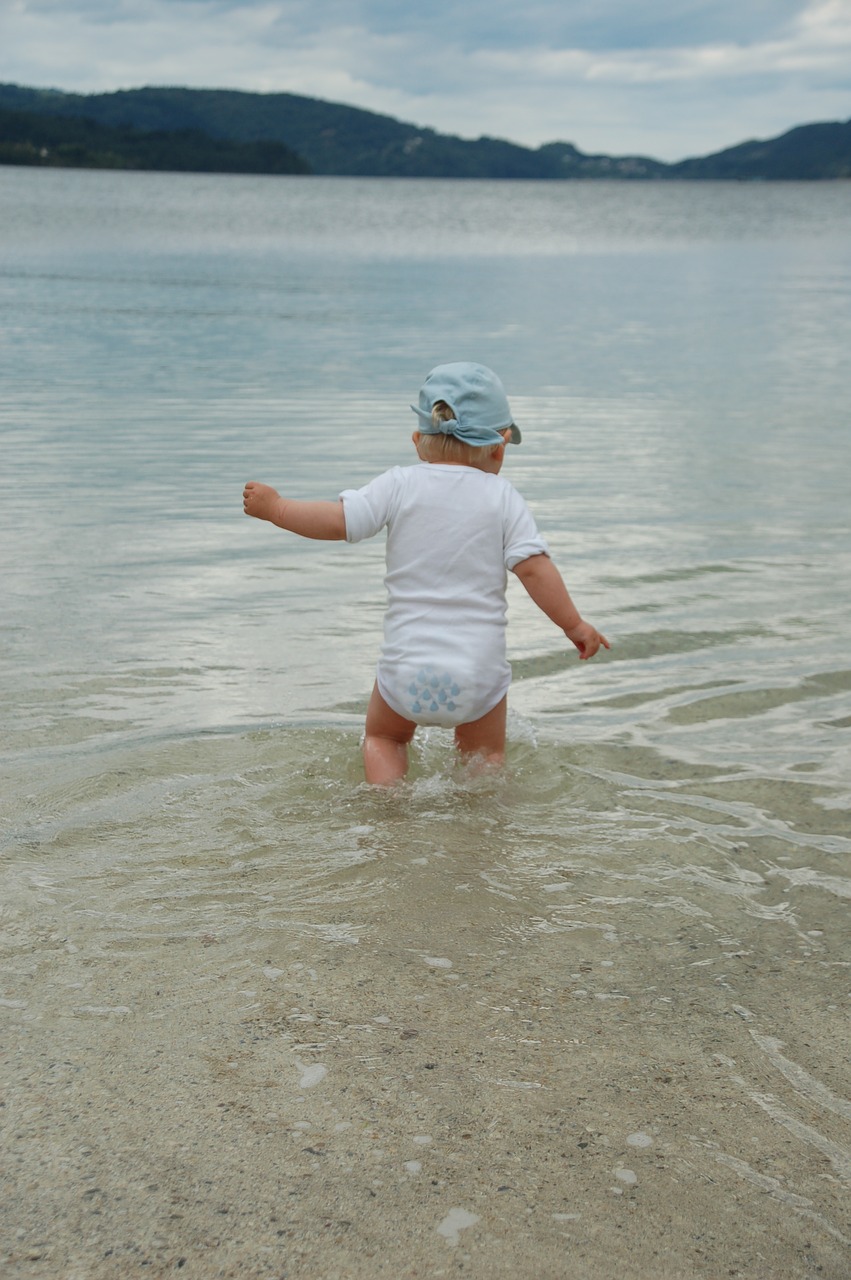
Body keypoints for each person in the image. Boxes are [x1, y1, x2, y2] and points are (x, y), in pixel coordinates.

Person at [243, 362, 608, 785]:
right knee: (484, 755)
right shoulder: (503, 498)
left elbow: (338, 522)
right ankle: (478, 830)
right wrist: (574, 624)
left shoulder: (398, 485)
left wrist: (276, 509)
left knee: (383, 738)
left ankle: (388, 810)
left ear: (418, 441)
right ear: (500, 446)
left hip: (406, 671)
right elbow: (534, 570)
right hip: (476, 675)